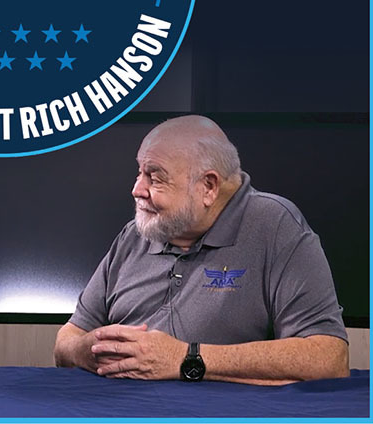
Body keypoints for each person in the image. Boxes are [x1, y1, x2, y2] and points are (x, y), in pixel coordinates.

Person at [54, 115, 349, 384]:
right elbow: (67, 341)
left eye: (154, 177)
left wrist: (187, 358)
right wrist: (92, 348)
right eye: (139, 172)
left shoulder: (276, 226)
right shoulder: (136, 233)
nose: (136, 189)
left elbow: (328, 358)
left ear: (208, 187)